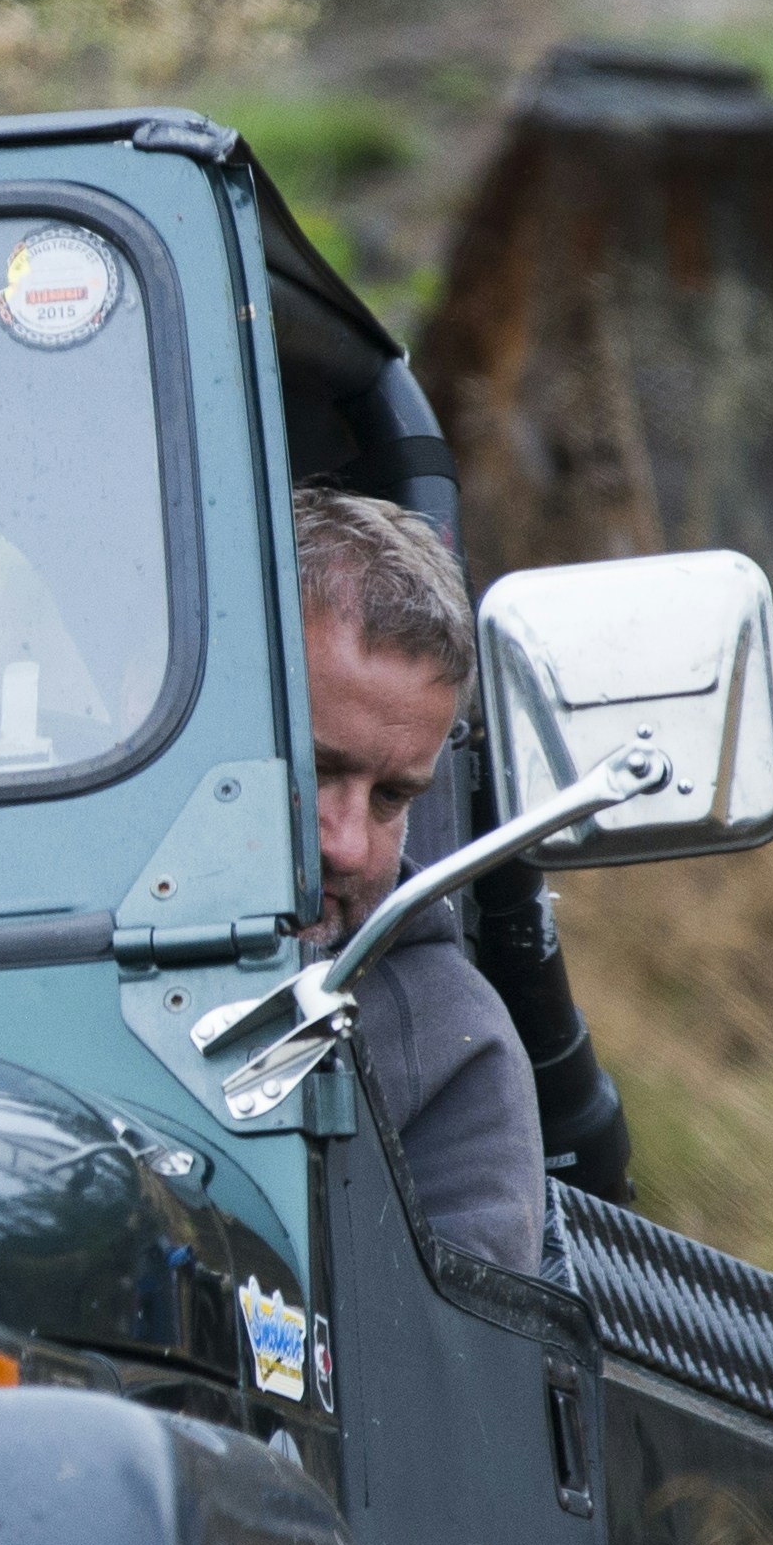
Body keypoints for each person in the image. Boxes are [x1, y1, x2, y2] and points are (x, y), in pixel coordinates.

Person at [292, 490, 551, 1270]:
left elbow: (450, 1377)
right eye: (314, 770)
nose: (346, 846)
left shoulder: (447, 1045)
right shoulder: (17, 924)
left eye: (392, 797)